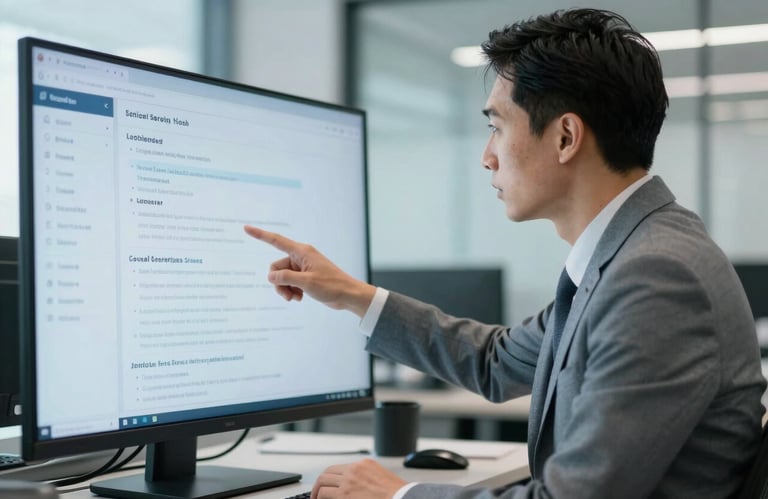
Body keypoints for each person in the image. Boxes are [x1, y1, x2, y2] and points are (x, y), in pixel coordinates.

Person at [245, 7, 766, 499]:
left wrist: (399, 493)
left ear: (565, 136)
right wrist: (353, 296)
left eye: (496, 127)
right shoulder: (632, 254)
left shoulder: (655, 277)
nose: (486, 157)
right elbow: (495, 361)